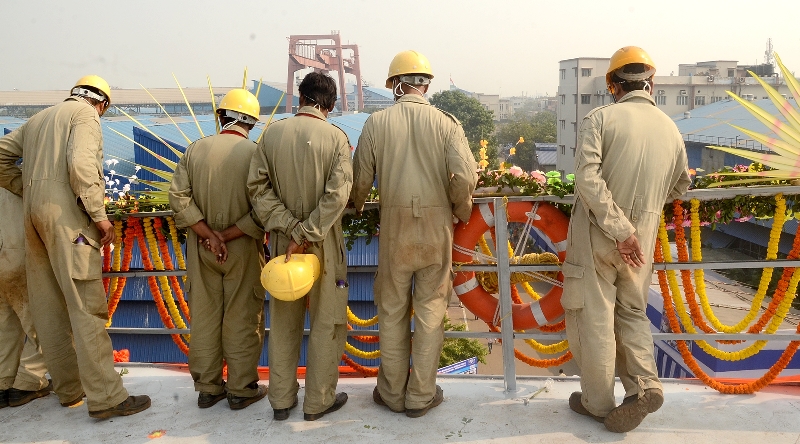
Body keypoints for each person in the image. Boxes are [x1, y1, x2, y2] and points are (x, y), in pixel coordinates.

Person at [0, 75, 151, 418]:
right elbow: (82, 166)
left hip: (33, 221)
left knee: (48, 307)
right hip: (70, 224)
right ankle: (107, 398)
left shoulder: (37, 119)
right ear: (102, 104)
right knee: (86, 307)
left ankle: (69, 391)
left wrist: (28, 189)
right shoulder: (86, 116)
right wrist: (100, 217)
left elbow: (0, 157)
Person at [561, 47, 691, 433]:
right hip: (643, 240)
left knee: (595, 316)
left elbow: (587, 178)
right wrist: (641, 220)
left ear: (613, 85)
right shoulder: (670, 127)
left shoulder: (601, 118)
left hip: (598, 235)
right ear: (650, 83)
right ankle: (645, 387)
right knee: (633, 313)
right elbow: (682, 184)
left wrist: (620, 229)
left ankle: (598, 404)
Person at [351, 50, 477, 418]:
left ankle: (391, 393)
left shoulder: (377, 122)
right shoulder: (446, 123)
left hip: (394, 228)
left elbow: (361, 178)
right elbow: (466, 177)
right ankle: (421, 396)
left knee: (391, 310)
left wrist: (357, 206)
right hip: (437, 228)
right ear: (425, 85)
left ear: (396, 85)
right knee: (431, 311)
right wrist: (460, 210)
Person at [248, 72, 352, 422]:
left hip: (281, 244)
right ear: (331, 104)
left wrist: (291, 229)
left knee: (283, 322)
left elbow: (257, 190)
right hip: (322, 243)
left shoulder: (271, 134)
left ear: (300, 97)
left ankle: (280, 400)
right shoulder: (337, 138)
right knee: (327, 322)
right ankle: (318, 401)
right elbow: (338, 195)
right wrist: (307, 231)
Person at [169, 88, 267, 410]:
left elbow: (179, 199)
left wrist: (208, 234)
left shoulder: (195, 150)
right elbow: (264, 207)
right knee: (242, 315)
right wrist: (228, 234)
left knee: (206, 316)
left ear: (221, 116)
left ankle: (208, 389)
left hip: (201, 248)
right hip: (243, 248)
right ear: (251, 122)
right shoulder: (256, 154)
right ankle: (241, 389)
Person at [0, 186, 51, 408]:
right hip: (16, 251)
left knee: (5, 323)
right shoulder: (22, 161)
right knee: (41, 320)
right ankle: (27, 382)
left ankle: (3, 382)